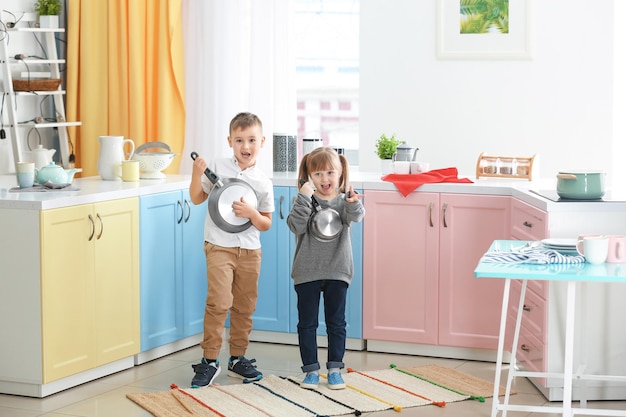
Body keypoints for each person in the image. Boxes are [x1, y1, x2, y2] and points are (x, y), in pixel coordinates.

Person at [188, 112, 274, 387]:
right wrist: (196, 174)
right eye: (239, 140)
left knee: (244, 306)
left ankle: (237, 358)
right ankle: (210, 360)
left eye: (251, 140)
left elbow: (266, 224)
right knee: (218, 302)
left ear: (261, 141)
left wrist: (251, 213)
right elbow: (197, 197)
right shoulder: (218, 167)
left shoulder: (263, 181)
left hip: (250, 250)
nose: (245, 147)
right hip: (219, 246)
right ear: (230, 141)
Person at [286, 147, 365, 390]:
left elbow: (357, 216)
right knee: (307, 324)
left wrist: (352, 203)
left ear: (341, 174)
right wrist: (302, 197)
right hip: (307, 271)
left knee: (336, 323)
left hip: (337, 271)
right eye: (318, 174)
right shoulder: (302, 200)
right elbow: (295, 226)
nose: (325, 179)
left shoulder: (344, 202)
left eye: (330, 172)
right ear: (309, 177)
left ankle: (334, 369)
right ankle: (310, 370)